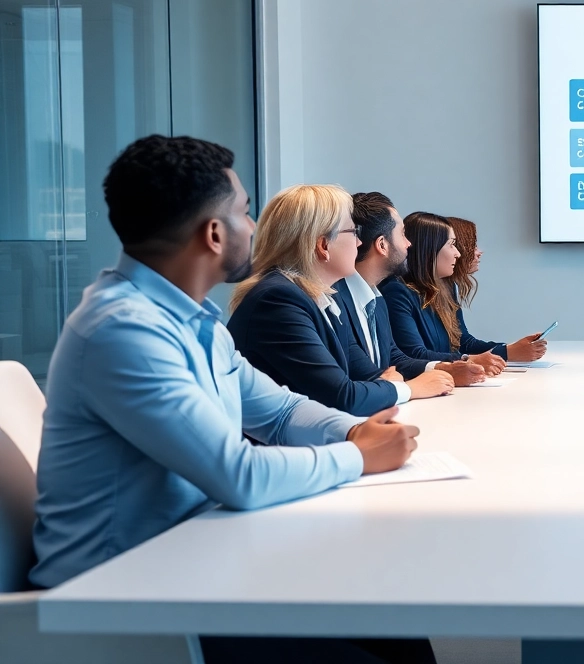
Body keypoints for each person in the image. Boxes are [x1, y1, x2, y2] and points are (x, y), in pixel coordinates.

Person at [27, 135, 430, 662]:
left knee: (395, 623)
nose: (256, 228)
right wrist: (358, 456)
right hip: (127, 602)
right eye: (245, 212)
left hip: (195, 560)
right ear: (214, 234)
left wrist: (353, 429)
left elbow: (280, 410)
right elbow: (236, 476)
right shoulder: (124, 333)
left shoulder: (194, 322)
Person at [228, 185, 454, 417]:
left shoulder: (323, 298)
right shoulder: (279, 300)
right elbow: (343, 396)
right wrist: (409, 388)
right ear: (324, 245)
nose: (359, 243)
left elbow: (365, 377)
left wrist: (383, 382)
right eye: (353, 232)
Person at [334, 192, 495, 386]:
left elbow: (395, 358)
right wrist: (408, 386)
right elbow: (365, 377)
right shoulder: (337, 302)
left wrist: (442, 368)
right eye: (402, 234)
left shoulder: (376, 298)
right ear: (382, 245)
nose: (409, 244)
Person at [383, 212, 546, 364]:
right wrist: (503, 354)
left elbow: (463, 342)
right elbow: (415, 355)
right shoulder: (398, 292)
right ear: (429, 250)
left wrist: (508, 350)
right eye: (452, 245)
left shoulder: (445, 288)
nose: (458, 253)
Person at [445, 216, 545, 362]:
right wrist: (508, 352)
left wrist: (510, 349)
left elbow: (463, 342)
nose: (479, 252)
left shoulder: (448, 287)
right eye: (473, 245)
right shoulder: (415, 292)